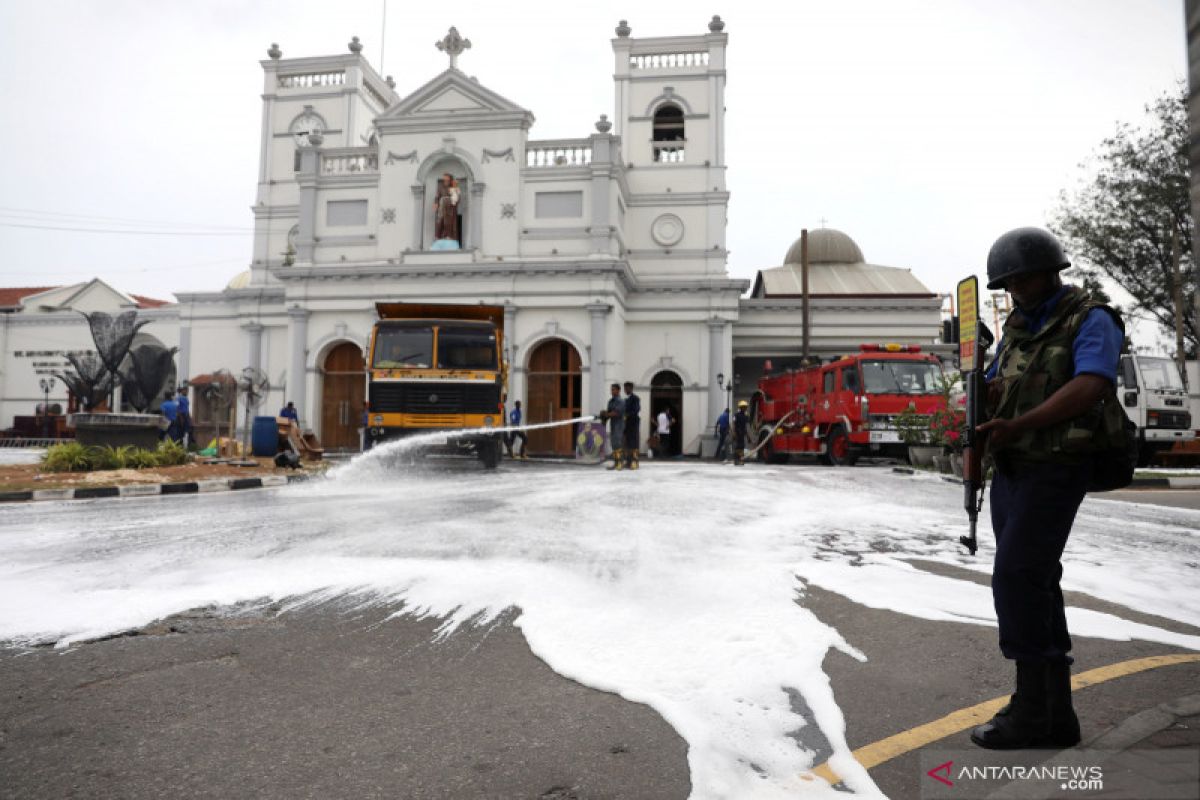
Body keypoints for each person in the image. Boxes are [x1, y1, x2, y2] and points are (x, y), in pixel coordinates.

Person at [969, 227, 1125, 751]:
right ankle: (1057, 716)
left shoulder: (1091, 318)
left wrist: (1021, 423)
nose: (1016, 290)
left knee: (1015, 576)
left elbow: (1092, 383)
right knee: (1034, 581)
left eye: (1023, 278)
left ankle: (1032, 710)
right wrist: (985, 400)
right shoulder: (1014, 329)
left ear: (1050, 271)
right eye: (1008, 283)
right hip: (1013, 469)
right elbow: (999, 383)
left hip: (1058, 465)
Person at [433, 172, 460, 242]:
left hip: (450, 209)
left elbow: (456, 198)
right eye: (444, 180)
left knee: (449, 223)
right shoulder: (441, 188)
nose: (445, 182)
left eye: (447, 180)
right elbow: (437, 197)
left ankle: (449, 236)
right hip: (442, 209)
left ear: (450, 180)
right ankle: (439, 237)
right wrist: (436, 203)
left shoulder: (454, 187)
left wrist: (452, 197)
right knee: (440, 222)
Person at [604, 383, 625, 470]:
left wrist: (606, 414)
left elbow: (616, 413)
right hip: (613, 425)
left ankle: (620, 463)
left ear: (618, 390)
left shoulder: (621, 401)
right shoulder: (610, 401)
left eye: (613, 389)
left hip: (619, 425)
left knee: (618, 443)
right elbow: (608, 413)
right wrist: (603, 418)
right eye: (611, 389)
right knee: (614, 444)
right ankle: (616, 463)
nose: (612, 391)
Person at [621, 381, 641, 470]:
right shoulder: (625, 400)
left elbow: (637, 409)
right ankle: (628, 461)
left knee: (634, 443)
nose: (626, 390)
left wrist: (627, 415)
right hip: (626, 424)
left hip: (633, 423)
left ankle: (635, 462)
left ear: (631, 388)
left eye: (627, 388)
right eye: (625, 388)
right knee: (627, 443)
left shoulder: (635, 398)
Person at [732, 400, 749, 466]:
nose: (745, 408)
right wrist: (734, 432)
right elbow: (733, 424)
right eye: (743, 407)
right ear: (740, 407)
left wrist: (748, 436)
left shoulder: (746, 416)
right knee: (737, 447)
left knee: (742, 447)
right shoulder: (736, 415)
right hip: (737, 432)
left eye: (745, 407)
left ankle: (741, 460)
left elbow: (747, 426)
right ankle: (736, 460)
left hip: (742, 433)